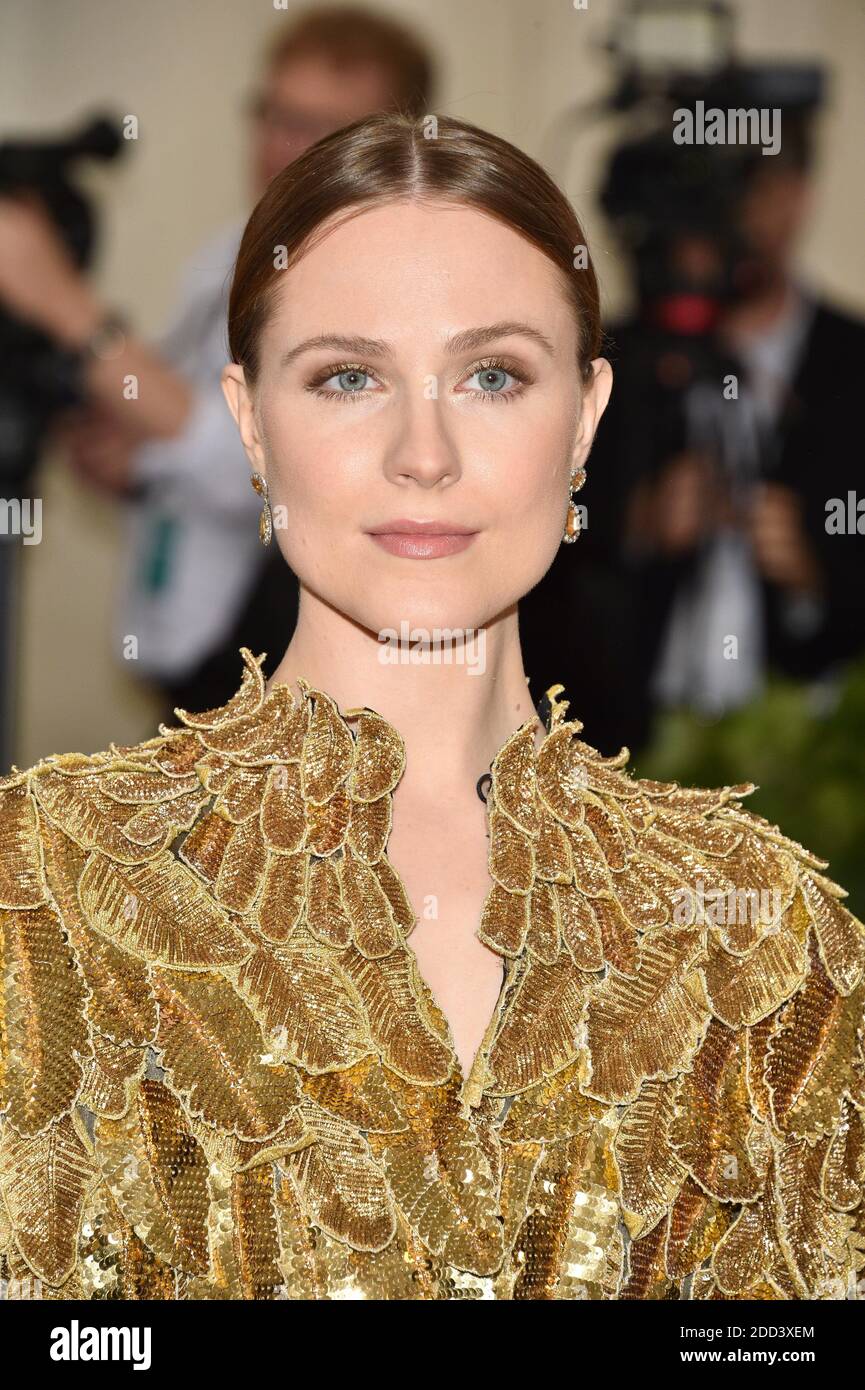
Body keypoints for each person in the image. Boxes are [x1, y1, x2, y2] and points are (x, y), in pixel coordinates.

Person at [1, 113, 862, 1302]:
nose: (423, 451)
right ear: (250, 419)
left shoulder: (764, 935)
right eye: (348, 376)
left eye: (493, 375)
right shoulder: (39, 887)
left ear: (587, 419)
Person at [0, 6, 436, 717]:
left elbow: (268, 472)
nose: (279, 146)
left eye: (316, 128)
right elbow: (192, 422)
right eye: (273, 114)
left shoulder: (387, 279)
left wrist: (62, 304)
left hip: (295, 699)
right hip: (192, 684)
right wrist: (130, 458)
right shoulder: (228, 255)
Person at [520, 108, 865, 755]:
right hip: (614, 759)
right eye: (691, 183)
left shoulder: (851, 367)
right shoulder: (596, 366)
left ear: (792, 197)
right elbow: (528, 598)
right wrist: (634, 530)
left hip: (820, 771)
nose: (713, 215)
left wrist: (817, 573)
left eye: (738, 183)